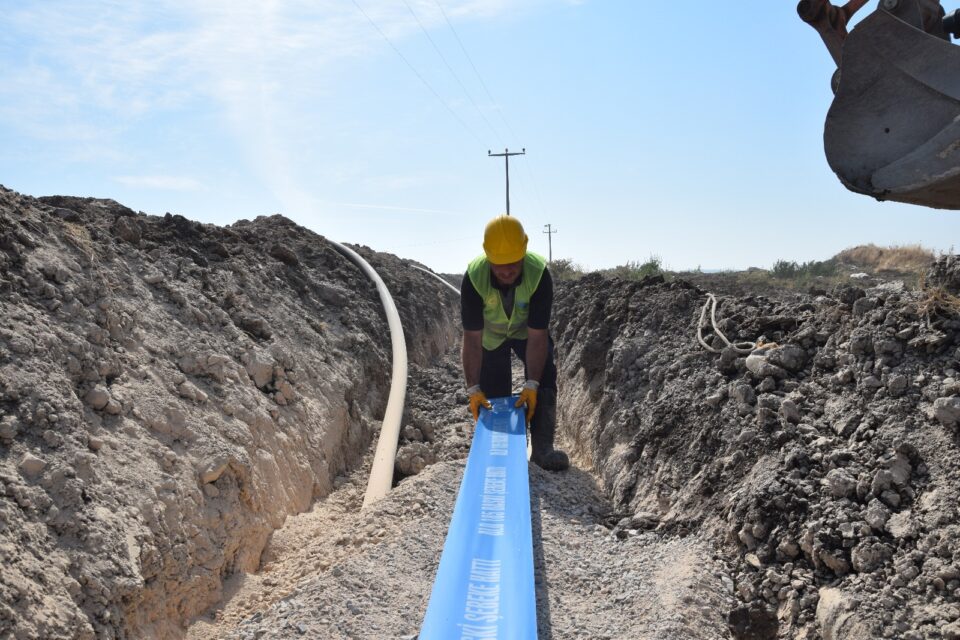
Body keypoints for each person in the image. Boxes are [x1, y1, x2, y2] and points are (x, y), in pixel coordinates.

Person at [460, 214, 570, 472]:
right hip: (491, 337)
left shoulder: (539, 275)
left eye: (513, 264)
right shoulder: (474, 279)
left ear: (523, 253)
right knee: (495, 394)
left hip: (524, 331)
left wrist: (532, 383)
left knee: (544, 375)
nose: (507, 271)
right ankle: (501, 452)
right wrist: (473, 389)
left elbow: (537, 335)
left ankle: (542, 450)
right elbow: (472, 340)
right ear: (488, 258)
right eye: (499, 265)